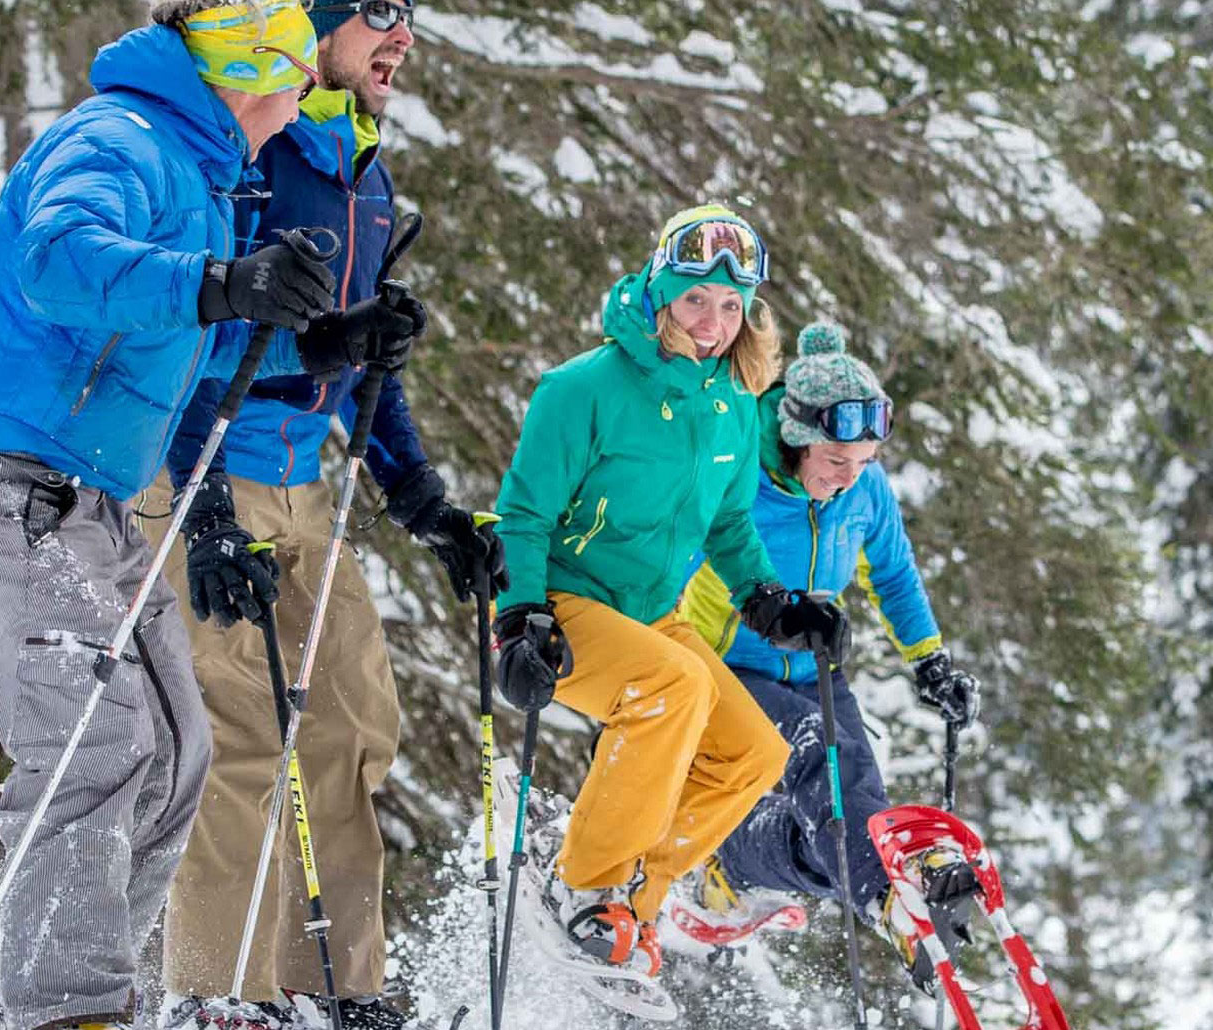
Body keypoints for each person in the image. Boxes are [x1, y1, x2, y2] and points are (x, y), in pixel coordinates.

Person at [0, 4, 335, 1029]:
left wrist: (325, 341)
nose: (306, 99)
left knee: (177, 744)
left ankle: (89, 993)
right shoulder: (119, 138)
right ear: (250, 72)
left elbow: (184, 344)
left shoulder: (198, 169)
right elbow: (60, 261)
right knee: (92, 743)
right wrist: (224, 282)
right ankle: (65, 1008)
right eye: (298, 76)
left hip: (81, 497)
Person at [149, 2, 501, 1028]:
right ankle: (219, 994)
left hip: (310, 487)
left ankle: (332, 986)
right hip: (208, 471)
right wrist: (201, 509)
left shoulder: (367, 178)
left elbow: (363, 371)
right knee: (239, 737)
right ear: (316, 29)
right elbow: (178, 343)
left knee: (350, 725)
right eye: (377, 15)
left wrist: (427, 507)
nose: (401, 38)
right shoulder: (248, 152)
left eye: (408, 20)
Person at [489, 204, 846, 984]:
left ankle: (627, 907)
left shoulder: (731, 405)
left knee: (753, 752)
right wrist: (518, 618)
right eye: (695, 300)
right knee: (670, 687)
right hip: (564, 603)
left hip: (653, 615)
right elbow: (522, 513)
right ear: (660, 291)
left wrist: (768, 600)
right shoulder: (582, 388)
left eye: (731, 305)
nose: (714, 322)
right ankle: (581, 883)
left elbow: (726, 520)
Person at [663, 322, 987, 985]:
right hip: (726, 669)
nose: (847, 480)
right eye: (835, 461)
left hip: (816, 666)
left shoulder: (863, 489)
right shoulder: (735, 478)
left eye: (863, 463)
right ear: (797, 438)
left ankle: (738, 859)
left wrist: (931, 662)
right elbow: (664, 567)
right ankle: (886, 898)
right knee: (818, 750)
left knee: (848, 798)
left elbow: (892, 574)